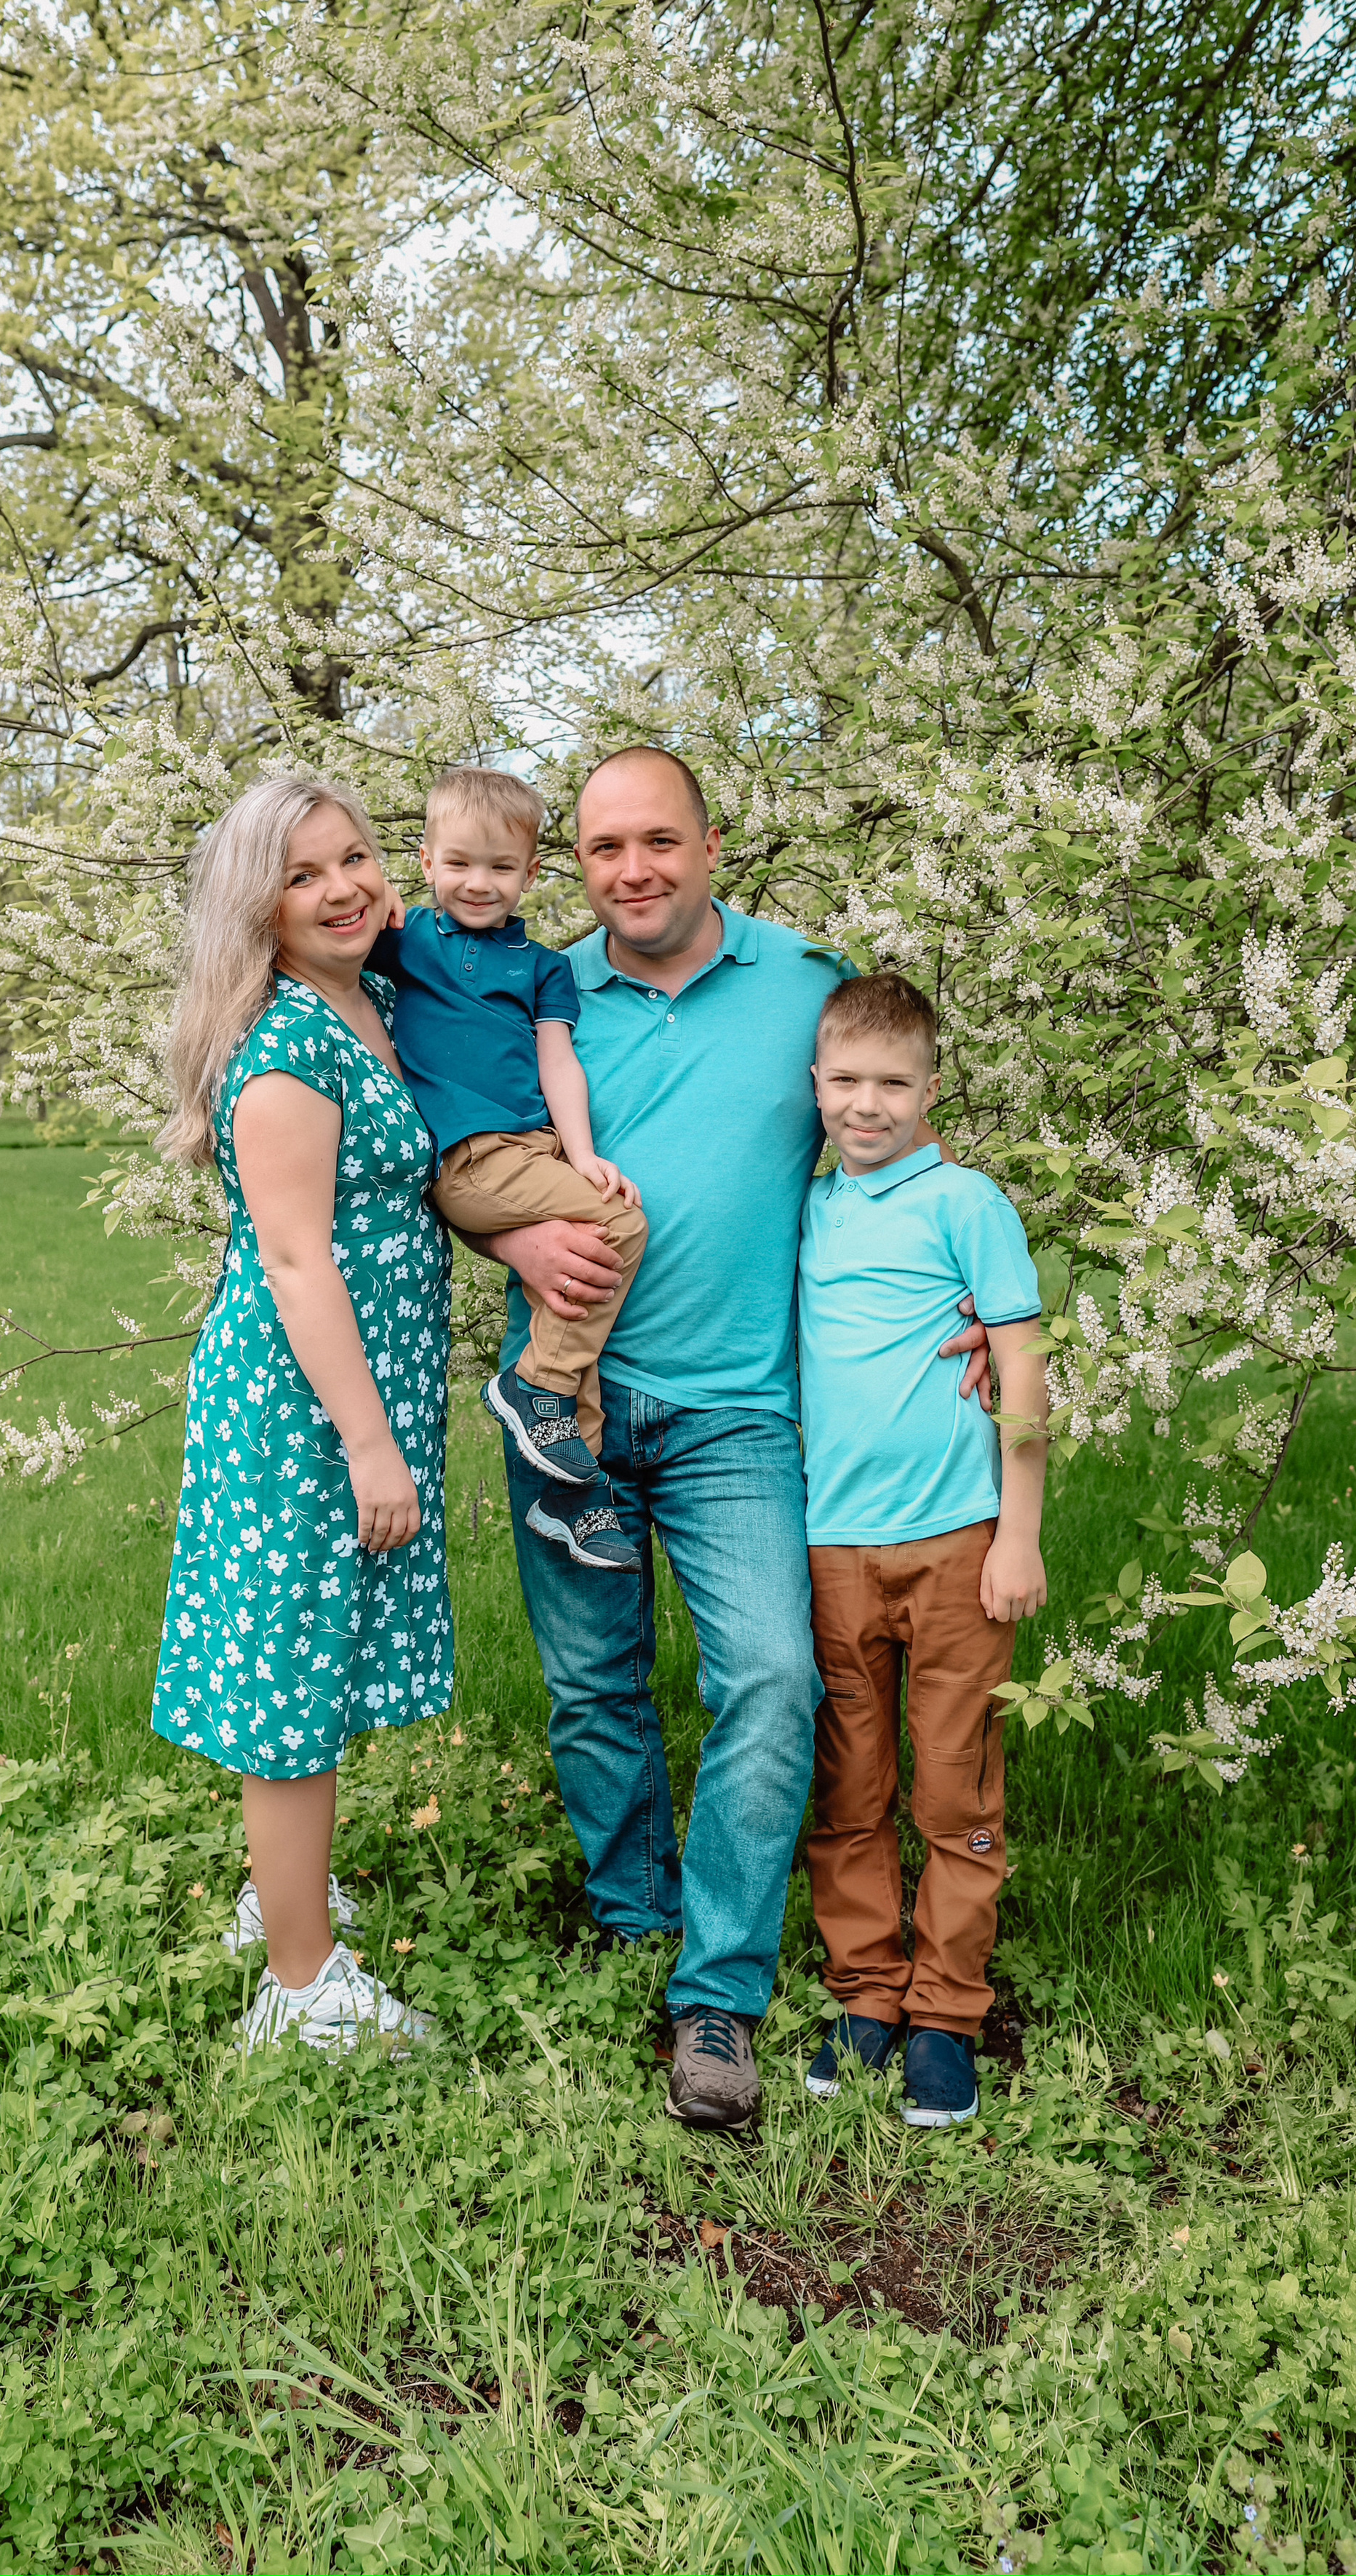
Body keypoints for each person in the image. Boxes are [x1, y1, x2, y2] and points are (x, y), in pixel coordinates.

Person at [464, 746, 991, 2129]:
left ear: (710, 845)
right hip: (565, 1399)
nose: (631, 871)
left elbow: (895, 1135)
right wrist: (510, 1230)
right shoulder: (538, 985)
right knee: (594, 1690)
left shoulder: (807, 987)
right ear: (574, 865)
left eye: (657, 842)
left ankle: (719, 1992)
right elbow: (441, 1142)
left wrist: (981, 1305)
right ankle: (636, 1922)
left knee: (769, 1676)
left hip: (738, 1414)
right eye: (601, 851)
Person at [151, 773, 452, 2055]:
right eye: (303, 874)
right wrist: (371, 1442)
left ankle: (283, 1895)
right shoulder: (288, 1041)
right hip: (304, 1406)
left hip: (354, 1389)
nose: (343, 889)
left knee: (310, 1659)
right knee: (288, 1678)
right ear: (258, 909)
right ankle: (301, 1983)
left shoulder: (375, 1003)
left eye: (356, 859)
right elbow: (295, 1260)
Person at [797, 972, 1048, 2129]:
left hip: (956, 1547)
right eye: (846, 1080)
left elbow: (1025, 1369)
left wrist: (1018, 1536)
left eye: (893, 1082)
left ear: (933, 1089)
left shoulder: (967, 1203)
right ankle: (866, 1993)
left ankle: (947, 2011)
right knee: (850, 1789)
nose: (867, 1104)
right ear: (816, 1086)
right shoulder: (812, 1209)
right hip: (834, 1544)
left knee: (957, 1789)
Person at [367, 765, 648, 1574]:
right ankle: (532, 1386)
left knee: (574, 1298)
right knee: (621, 1225)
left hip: (533, 1152)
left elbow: (558, 1063)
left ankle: (575, 1504)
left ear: (531, 873)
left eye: (499, 867)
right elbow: (335, 930)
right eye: (457, 863)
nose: (477, 883)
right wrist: (381, 901)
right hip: (468, 1157)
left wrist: (582, 1153)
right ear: (426, 862)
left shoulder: (542, 966)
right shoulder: (410, 939)